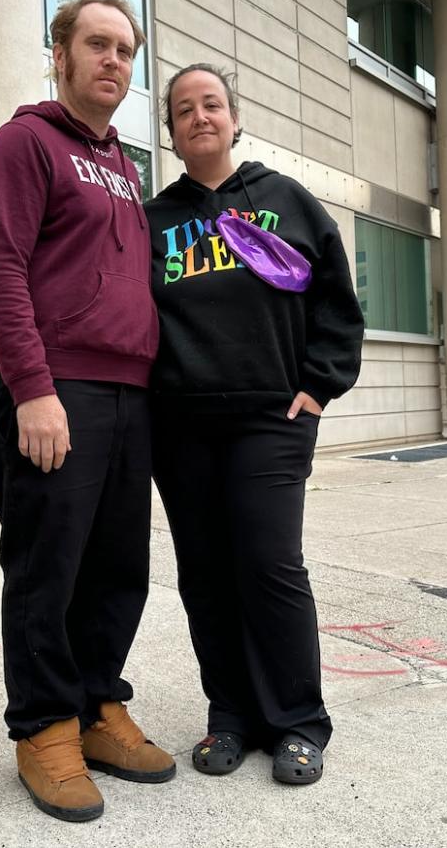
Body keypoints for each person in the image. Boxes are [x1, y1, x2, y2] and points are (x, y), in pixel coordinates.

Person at [0, 0, 175, 824]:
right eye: (97, 45)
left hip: (129, 398)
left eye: (125, 51)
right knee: (46, 574)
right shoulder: (24, 144)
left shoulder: (126, 168)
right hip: (56, 394)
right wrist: (33, 389)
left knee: (119, 571)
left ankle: (97, 708)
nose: (113, 61)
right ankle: (44, 728)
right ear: (60, 55)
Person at [145, 64, 363, 786]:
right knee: (205, 576)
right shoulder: (154, 221)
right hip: (181, 426)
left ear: (234, 119)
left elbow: (336, 300)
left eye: (212, 104)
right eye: (184, 110)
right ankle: (231, 715)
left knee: (269, 567)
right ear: (172, 133)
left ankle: (298, 721)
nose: (199, 116)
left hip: (270, 419)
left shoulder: (286, 201)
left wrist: (319, 386)